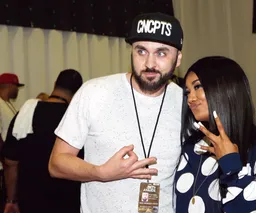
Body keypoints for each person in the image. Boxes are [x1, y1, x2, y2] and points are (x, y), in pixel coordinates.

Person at [48, 12, 183, 213]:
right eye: (141, 51)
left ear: (178, 58)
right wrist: (100, 172)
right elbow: (56, 163)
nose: (150, 63)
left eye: (161, 53)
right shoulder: (94, 93)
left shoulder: (187, 103)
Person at [174, 56, 256, 212]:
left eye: (197, 87)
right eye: (187, 92)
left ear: (224, 89)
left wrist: (232, 168)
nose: (190, 99)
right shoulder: (190, 148)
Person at [3, 69, 83, 213]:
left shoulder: (26, 115)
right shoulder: (77, 118)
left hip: (31, 199)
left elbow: (10, 162)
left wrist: (11, 199)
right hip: (69, 200)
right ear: (77, 92)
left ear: (54, 85)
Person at [0, 73, 24, 212]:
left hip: (8, 166)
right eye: (17, 87)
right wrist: (5, 158)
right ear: (10, 86)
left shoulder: (6, 104)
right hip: (3, 166)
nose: (17, 90)